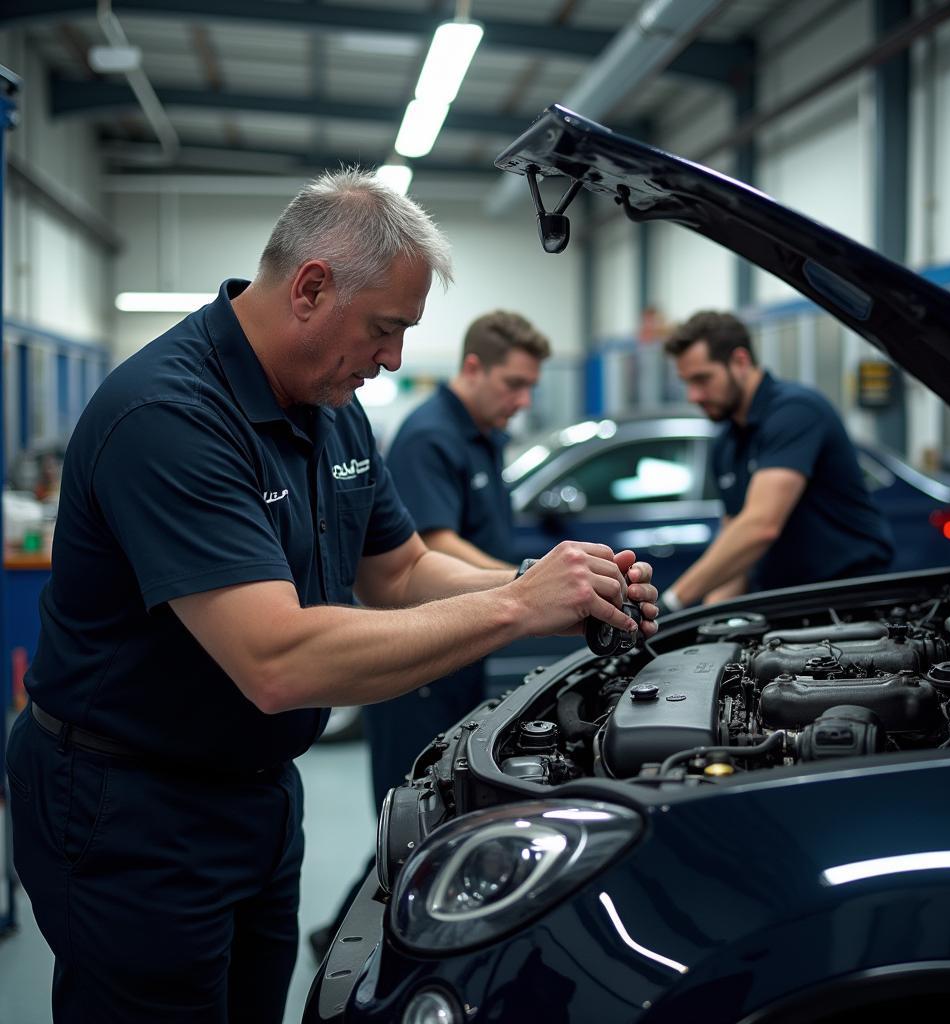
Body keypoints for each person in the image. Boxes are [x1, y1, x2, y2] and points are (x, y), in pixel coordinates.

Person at [4, 169, 659, 1024]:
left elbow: (399, 569)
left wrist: (550, 585)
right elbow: (276, 660)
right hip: (128, 807)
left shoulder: (331, 405)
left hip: (258, 791)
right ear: (311, 288)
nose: (391, 360)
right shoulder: (169, 416)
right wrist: (514, 610)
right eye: (385, 330)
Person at [366, 310, 551, 806]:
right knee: (413, 817)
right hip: (421, 663)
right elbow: (433, 544)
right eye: (514, 384)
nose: (523, 400)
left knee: (453, 806)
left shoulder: (481, 435)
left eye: (530, 386)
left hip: (461, 644)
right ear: (473, 368)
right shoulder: (432, 436)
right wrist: (527, 586)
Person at [659, 310, 893, 609]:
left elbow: (760, 526)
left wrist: (672, 602)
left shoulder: (796, 411)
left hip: (846, 600)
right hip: (785, 604)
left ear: (740, 362)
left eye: (702, 379)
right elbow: (737, 546)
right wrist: (710, 617)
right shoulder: (726, 443)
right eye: (686, 383)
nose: (693, 395)